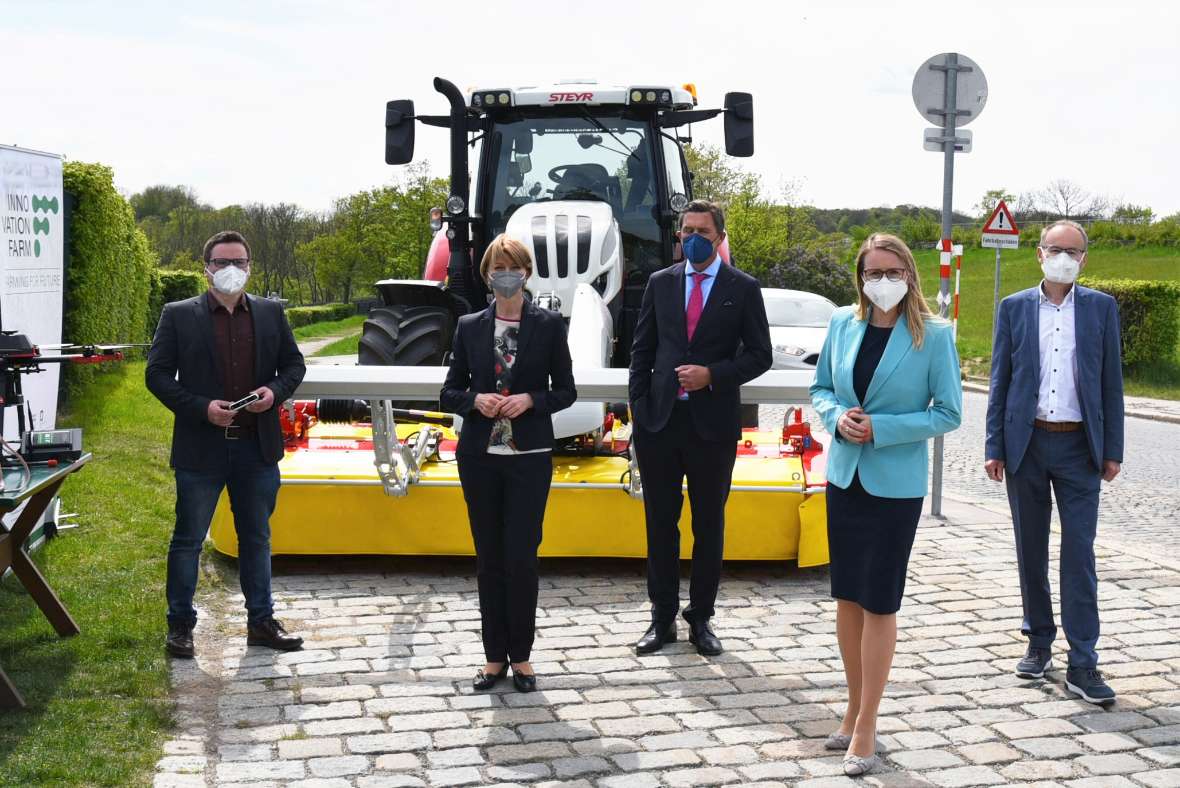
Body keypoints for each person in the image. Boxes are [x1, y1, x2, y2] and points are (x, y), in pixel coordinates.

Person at [809, 233, 962, 776]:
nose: (882, 281)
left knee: (879, 602)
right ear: (860, 278)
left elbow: (948, 413)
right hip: (844, 478)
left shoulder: (934, 335)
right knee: (847, 598)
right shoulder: (841, 323)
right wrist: (837, 419)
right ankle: (852, 707)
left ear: (909, 274)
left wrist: (883, 428)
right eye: (873, 272)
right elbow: (822, 389)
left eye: (892, 271)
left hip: (895, 486)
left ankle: (868, 724)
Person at [146, 230, 307, 658]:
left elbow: (294, 365)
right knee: (188, 539)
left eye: (239, 262)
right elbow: (156, 375)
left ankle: (261, 622)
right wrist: (202, 408)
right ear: (207, 269)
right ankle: (180, 626)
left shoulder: (271, 313)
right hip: (202, 448)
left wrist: (274, 393)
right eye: (222, 262)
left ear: (250, 267)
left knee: (256, 538)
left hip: (257, 447)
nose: (231, 269)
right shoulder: (179, 315)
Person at [984, 219, 1124, 706]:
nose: (1064, 257)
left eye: (1073, 251)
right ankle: (1039, 641)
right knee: (1031, 548)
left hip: (1080, 448)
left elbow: (1111, 382)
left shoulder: (1102, 308)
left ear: (1084, 258)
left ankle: (1083, 661)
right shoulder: (1014, 307)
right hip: (1026, 444)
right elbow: (1001, 378)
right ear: (1039, 253)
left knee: (1079, 554)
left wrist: (1113, 449)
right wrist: (994, 445)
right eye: (1055, 248)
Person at [627, 200, 772, 657]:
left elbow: (760, 355)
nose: (692, 238)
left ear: (719, 237)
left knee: (708, 525)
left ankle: (701, 618)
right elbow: (641, 350)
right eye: (686, 230)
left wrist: (713, 375)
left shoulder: (742, 287)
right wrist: (639, 409)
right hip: (660, 423)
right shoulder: (660, 282)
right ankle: (661, 617)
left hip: (712, 426)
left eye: (702, 232)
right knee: (660, 524)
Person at [441, 234, 576, 693]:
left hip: (529, 459)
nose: (505, 275)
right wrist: (474, 401)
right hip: (479, 458)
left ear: (526, 273)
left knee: (521, 558)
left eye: (512, 267)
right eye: (497, 267)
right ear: (486, 274)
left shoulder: (549, 325)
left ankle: (522, 656)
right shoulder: (469, 326)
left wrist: (531, 400)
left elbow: (566, 391)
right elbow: (449, 391)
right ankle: (493, 656)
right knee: (489, 558)